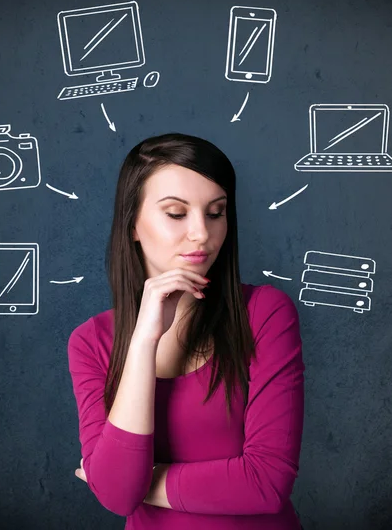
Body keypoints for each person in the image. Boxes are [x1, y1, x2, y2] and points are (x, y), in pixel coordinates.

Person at [67, 132, 305, 529]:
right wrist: (144, 340)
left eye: (216, 213)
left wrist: (138, 483)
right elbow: (115, 499)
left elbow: (266, 483)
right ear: (133, 226)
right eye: (177, 213)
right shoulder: (92, 343)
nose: (202, 233)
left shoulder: (264, 313)